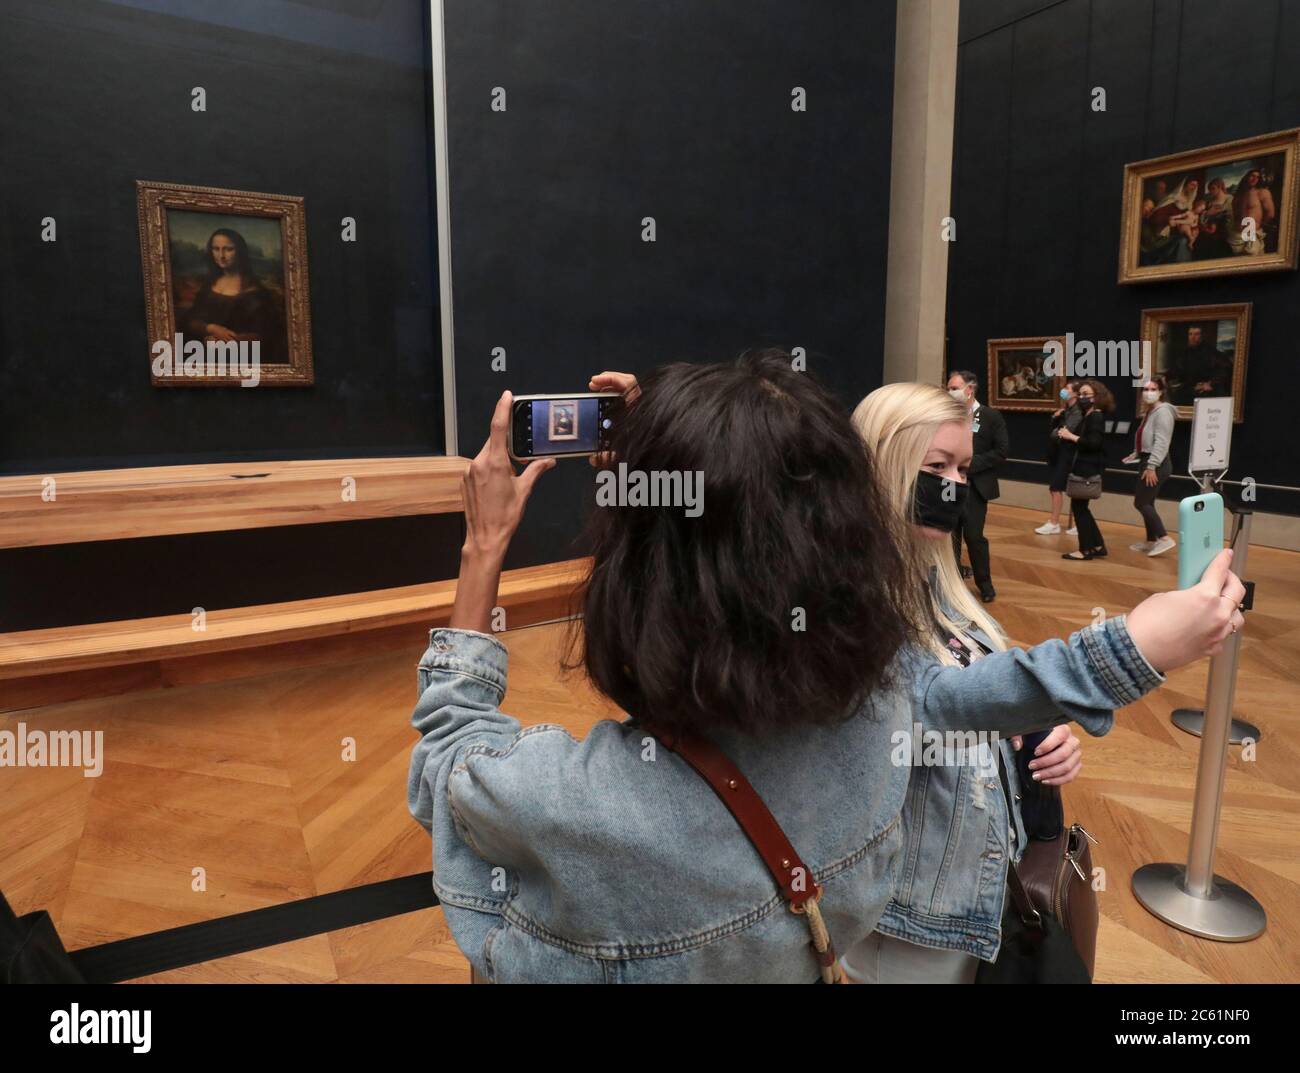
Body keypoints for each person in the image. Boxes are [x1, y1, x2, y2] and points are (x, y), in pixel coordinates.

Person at [407, 352, 924, 983]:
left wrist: (483, 544)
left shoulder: (576, 805)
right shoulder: (886, 708)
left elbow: (447, 762)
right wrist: (666, 450)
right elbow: (724, 674)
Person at [840, 382, 1244, 983]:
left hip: (980, 882)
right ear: (883, 470)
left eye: (962, 467)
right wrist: (1134, 645)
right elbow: (933, 702)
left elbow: (981, 695)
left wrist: (1034, 732)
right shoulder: (853, 606)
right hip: (915, 913)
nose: (953, 484)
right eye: (935, 467)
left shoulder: (942, 589)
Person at [946, 370, 1007, 603]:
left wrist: (969, 465)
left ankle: (985, 584)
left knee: (973, 536)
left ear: (969, 389)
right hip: (948, 483)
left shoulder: (991, 417)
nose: (949, 392)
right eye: (949, 388)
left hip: (975, 485)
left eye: (954, 388)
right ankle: (952, 583)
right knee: (949, 533)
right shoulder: (946, 415)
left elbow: (1001, 451)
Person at [182, 228, 285, 361]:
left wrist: (229, 341)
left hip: (241, 360)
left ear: (240, 252)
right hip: (205, 356)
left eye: (228, 249)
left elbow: (268, 335)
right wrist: (210, 328)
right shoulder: (209, 285)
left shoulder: (255, 293)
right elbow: (190, 319)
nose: (221, 255)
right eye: (215, 249)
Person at [1058, 379, 1113, 561]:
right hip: (1084, 467)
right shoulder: (1089, 415)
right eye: (1080, 394)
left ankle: (1086, 549)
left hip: (1086, 469)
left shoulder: (1095, 416)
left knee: (1079, 509)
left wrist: (1070, 436)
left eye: (1085, 395)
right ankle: (1097, 545)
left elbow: (1093, 443)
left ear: (1096, 397)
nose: (1081, 397)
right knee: (1082, 509)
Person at [1126, 377, 1177, 556]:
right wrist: (1136, 454)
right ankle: (1151, 540)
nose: (1148, 393)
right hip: (1147, 460)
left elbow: (1162, 442)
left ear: (1161, 392)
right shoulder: (1151, 411)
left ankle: (1164, 538)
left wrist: (1151, 465)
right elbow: (1145, 437)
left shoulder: (1163, 412)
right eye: (1145, 389)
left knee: (1140, 502)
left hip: (1157, 464)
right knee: (1148, 502)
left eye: (1153, 389)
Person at [1036, 379, 1081, 535]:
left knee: (1059, 487)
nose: (1064, 390)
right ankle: (1057, 522)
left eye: (1068, 388)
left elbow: (1064, 432)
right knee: (1055, 487)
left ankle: (1057, 523)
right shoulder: (1066, 410)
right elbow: (1056, 432)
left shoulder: (1077, 412)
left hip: (1069, 453)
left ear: (1076, 393)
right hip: (1060, 452)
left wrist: (1057, 431)